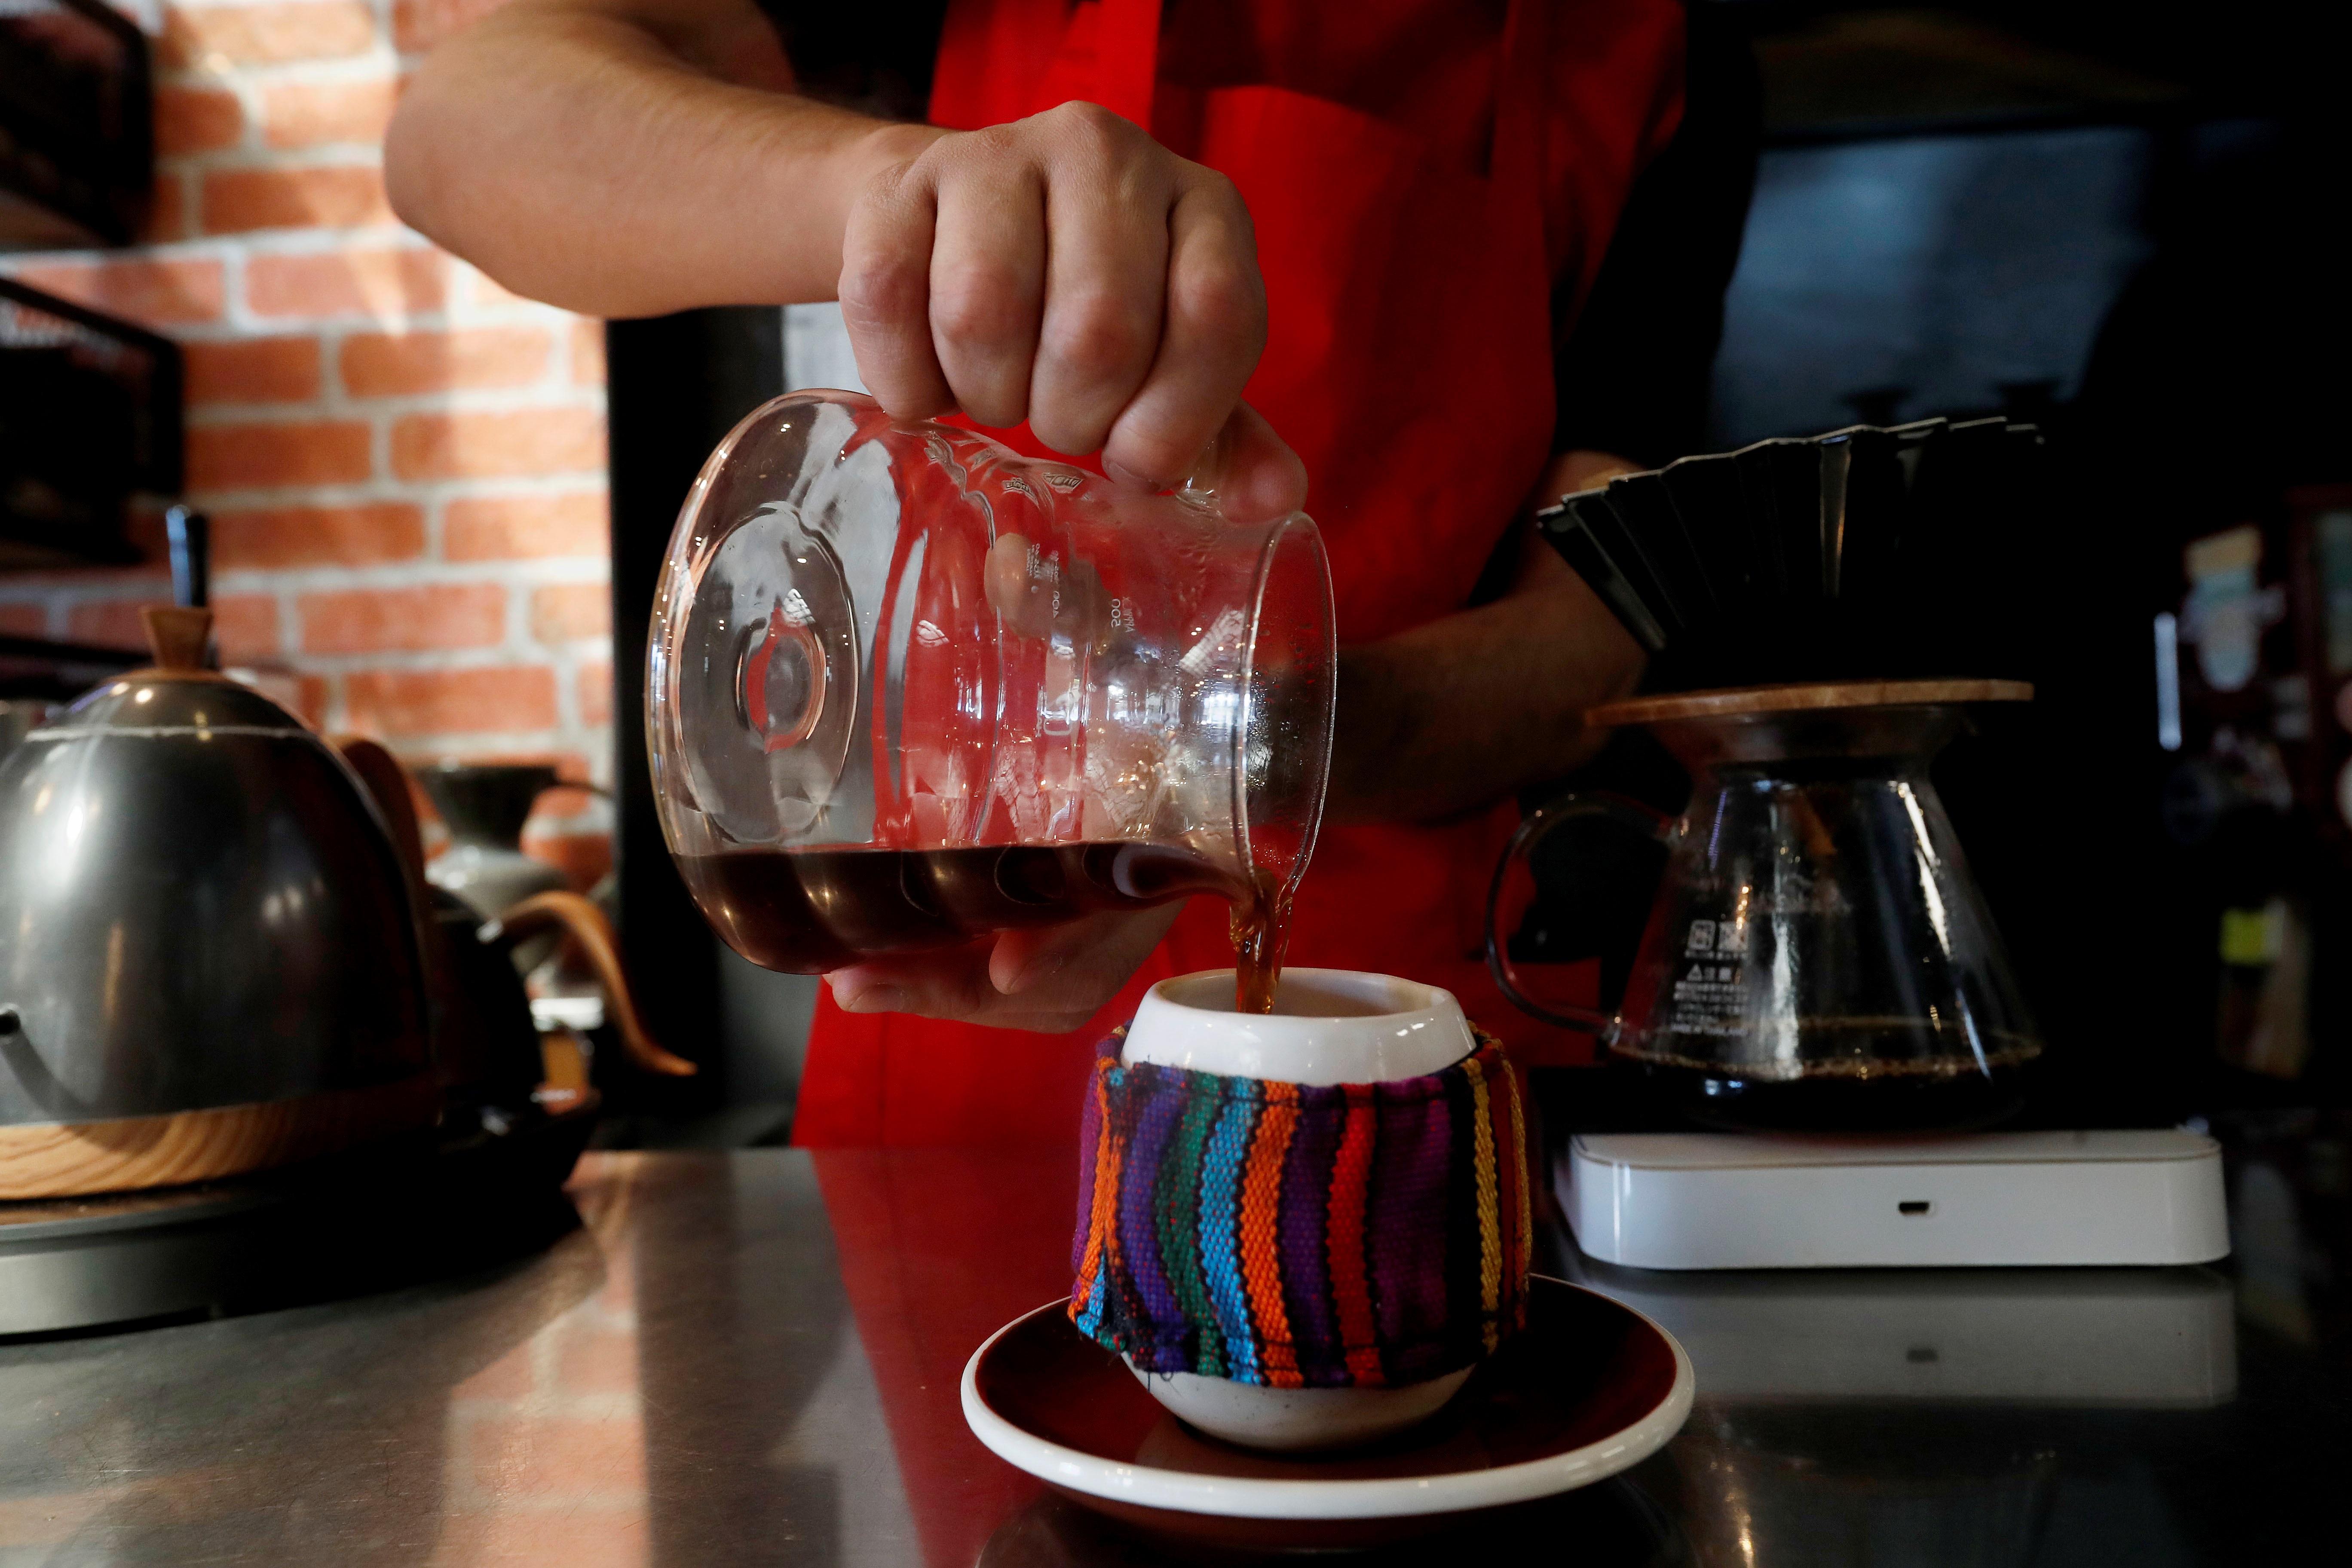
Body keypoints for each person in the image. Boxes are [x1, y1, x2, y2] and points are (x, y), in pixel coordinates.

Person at [388, 0, 1757, 1145]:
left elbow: (1598, 618)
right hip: (975, 990)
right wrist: (896, 200)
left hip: (1413, 1023)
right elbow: (467, 122)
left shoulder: (1667, 48)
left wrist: (1228, 754)